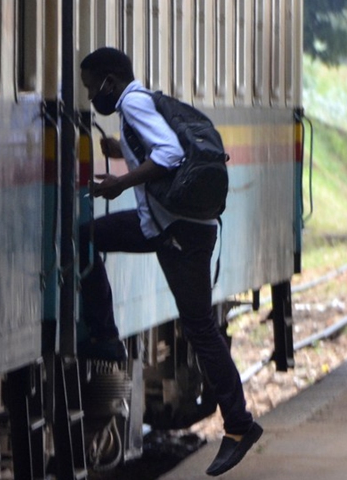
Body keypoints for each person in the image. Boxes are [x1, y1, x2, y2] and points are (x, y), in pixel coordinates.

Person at [78, 47, 262, 477]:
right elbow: (158, 149)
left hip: (179, 234)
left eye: (91, 87)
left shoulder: (134, 103)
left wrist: (120, 182)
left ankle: (239, 425)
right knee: (86, 237)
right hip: (162, 228)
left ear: (109, 81)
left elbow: (170, 155)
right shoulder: (137, 105)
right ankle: (104, 333)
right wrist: (118, 148)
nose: (90, 97)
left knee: (199, 326)